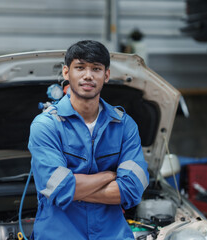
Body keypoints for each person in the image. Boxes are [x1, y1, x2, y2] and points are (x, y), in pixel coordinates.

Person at [28, 40, 149, 240]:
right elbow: (59, 188)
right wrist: (109, 176)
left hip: (112, 235)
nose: (88, 75)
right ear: (66, 73)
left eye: (96, 69)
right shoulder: (46, 126)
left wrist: (72, 190)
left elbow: (131, 190)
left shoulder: (124, 126)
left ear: (106, 75)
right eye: (80, 67)